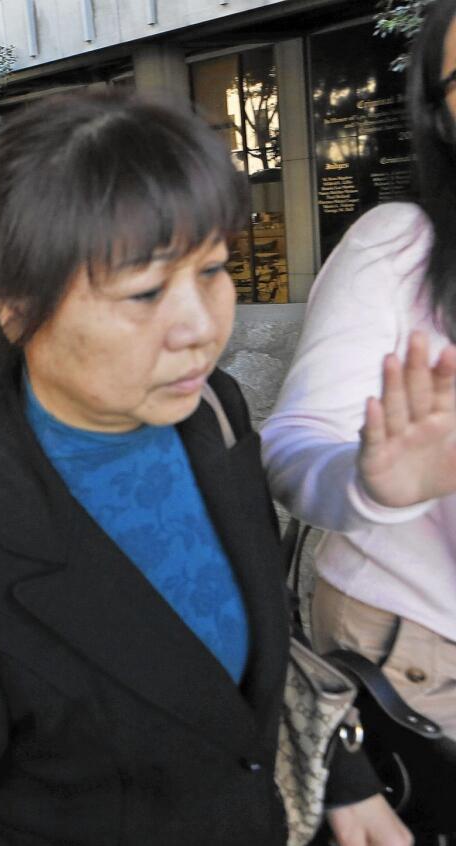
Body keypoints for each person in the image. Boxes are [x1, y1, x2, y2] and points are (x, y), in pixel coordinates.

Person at [0, 91, 409, 846]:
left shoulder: (215, 414)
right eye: (144, 291)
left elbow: (248, 647)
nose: (201, 329)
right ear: (16, 309)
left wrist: (344, 779)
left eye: (212, 271)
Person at [264, 0, 456, 746]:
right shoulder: (397, 247)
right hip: (423, 644)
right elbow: (292, 442)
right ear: (439, 113)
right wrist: (372, 485)